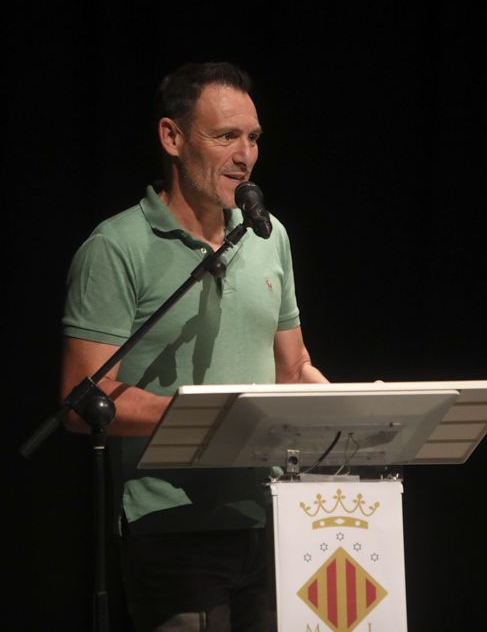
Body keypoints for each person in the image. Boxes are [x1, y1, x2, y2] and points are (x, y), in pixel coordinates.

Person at [61, 62, 326, 632]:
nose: (245, 155)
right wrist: (211, 419)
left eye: (252, 138)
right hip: (172, 527)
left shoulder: (268, 235)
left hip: (274, 516)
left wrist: (351, 418)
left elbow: (293, 369)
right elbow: (83, 400)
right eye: (226, 136)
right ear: (172, 137)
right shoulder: (116, 246)